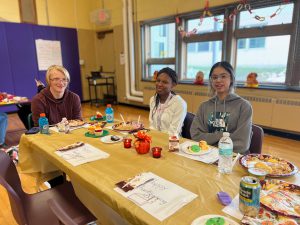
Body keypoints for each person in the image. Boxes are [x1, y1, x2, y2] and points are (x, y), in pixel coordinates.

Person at [31, 65, 82, 187]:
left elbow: (79, 123)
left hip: (73, 140)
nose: (61, 82)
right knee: (58, 180)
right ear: (49, 81)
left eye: (64, 79)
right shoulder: (39, 100)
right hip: (50, 143)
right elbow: (40, 130)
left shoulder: (74, 98)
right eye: (56, 79)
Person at [190, 61, 252, 154]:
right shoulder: (204, 106)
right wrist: (223, 135)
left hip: (232, 158)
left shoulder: (244, 106)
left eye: (223, 76)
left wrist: (210, 141)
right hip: (205, 154)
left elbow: (242, 144)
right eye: (214, 77)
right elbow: (196, 136)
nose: (218, 80)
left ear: (231, 78)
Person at [149, 67, 187, 136]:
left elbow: (173, 133)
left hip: (172, 143)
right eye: (158, 80)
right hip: (156, 140)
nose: (159, 84)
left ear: (173, 85)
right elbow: (152, 126)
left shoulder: (179, 104)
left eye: (165, 82)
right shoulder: (153, 100)